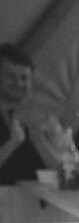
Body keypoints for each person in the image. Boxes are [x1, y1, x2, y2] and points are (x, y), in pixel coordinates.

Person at [0, 43, 45, 184]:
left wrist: (39, 139)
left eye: (24, 78)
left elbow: (64, 168)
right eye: (11, 76)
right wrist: (12, 143)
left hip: (37, 195)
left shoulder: (40, 116)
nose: (19, 83)